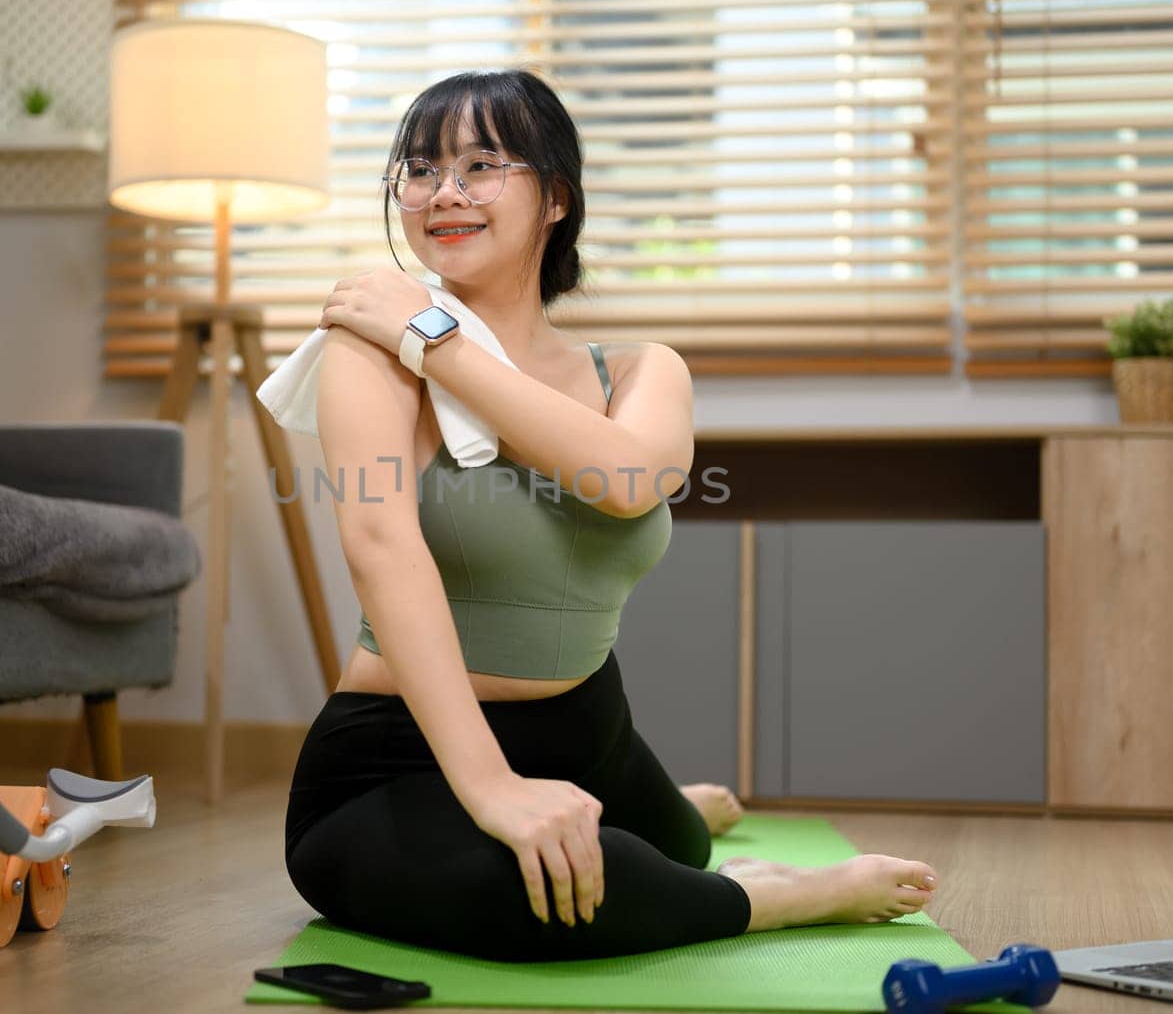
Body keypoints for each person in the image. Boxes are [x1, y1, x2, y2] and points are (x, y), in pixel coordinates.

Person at [283, 69, 939, 962]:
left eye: (481, 165)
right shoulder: (367, 349)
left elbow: (627, 478)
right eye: (421, 168)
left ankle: (678, 826)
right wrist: (490, 787)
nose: (445, 193)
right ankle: (770, 896)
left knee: (677, 848)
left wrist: (437, 343)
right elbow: (378, 544)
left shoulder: (638, 371)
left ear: (555, 196)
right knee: (544, 897)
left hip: (591, 727)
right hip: (398, 755)